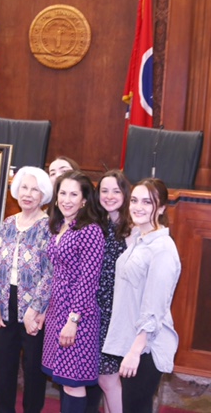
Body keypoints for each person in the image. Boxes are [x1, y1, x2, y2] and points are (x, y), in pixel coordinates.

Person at [103, 178, 181, 413]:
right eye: (135, 200)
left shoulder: (163, 248)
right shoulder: (138, 239)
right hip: (130, 341)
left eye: (147, 202)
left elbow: (154, 308)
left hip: (146, 347)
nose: (138, 207)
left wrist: (135, 351)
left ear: (161, 208)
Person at [0, 166, 54, 413]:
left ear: (43, 194)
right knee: (3, 367)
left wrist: (34, 309)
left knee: (33, 369)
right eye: (24, 187)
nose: (28, 194)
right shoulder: (8, 223)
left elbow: (50, 273)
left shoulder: (50, 226)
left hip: (36, 307)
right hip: (5, 302)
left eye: (35, 189)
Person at [42, 171, 105, 413]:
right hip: (58, 312)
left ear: (85, 200)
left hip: (79, 317)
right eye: (63, 193)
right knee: (63, 380)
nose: (67, 199)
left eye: (74, 194)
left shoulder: (90, 231)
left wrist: (73, 320)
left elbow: (87, 281)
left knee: (73, 383)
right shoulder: (60, 225)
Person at [93, 170, 132, 413]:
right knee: (104, 379)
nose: (109, 196)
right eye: (104, 191)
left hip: (117, 313)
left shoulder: (132, 229)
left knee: (108, 379)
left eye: (116, 191)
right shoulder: (97, 224)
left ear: (125, 194)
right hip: (96, 311)